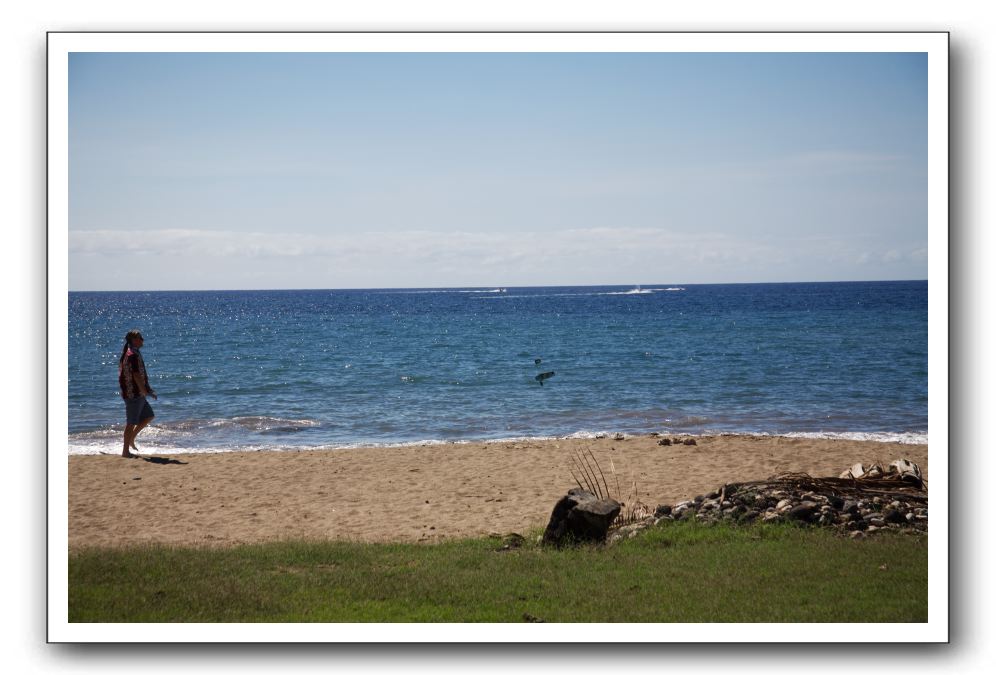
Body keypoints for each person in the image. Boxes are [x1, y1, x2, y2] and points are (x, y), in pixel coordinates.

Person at [118, 329, 157, 458]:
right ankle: (125, 452)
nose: (142, 340)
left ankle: (131, 439)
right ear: (134, 340)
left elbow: (141, 374)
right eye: (140, 337)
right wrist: (144, 391)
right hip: (133, 394)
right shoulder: (131, 354)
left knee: (149, 416)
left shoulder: (135, 352)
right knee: (131, 423)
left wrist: (148, 390)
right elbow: (135, 375)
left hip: (138, 393)